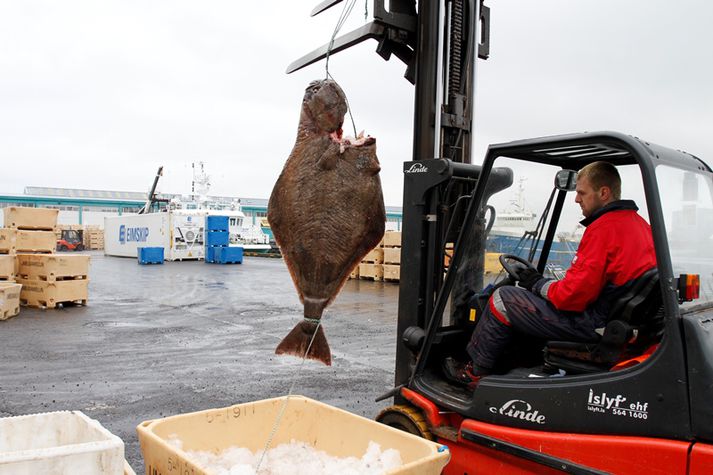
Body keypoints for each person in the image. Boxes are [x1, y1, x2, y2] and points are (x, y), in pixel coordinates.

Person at [443, 161, 657, 388]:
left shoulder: (604, 229)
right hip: (614, 320)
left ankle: (474, 373)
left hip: (591, 322)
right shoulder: (640, 225)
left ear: (604, 193)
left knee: (502, 298)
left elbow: (571, 297)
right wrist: (544, 285)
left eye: (582, 193)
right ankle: (518, 363)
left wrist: (536, 284)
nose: (577, 199)